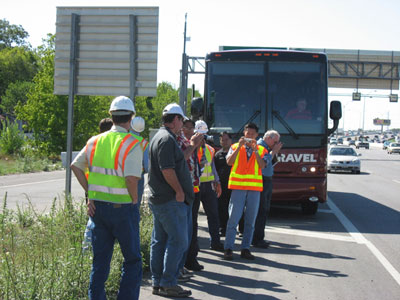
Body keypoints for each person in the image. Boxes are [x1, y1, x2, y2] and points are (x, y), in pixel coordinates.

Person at [71, 96, 143, 300]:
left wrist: (90, 194)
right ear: (131, 117)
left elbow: (75, 166)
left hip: (98, 210)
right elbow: (130, 178)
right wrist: (135, 199)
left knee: (100, 264)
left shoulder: (94, 141)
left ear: (111, 116)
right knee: (132, 261)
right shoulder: (132, 143)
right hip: (123, 209)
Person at [148, 103, 194, 298]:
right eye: (181, 120)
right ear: (175, 119)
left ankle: (158, 283)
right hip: (170, 200)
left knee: (160, 241)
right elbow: (167, 169)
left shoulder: (159, 137)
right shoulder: (167, 139)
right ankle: (168, 283)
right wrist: (179, 191)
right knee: (179, 241)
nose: (182, 124)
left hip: (161, 199)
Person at [223, 123, 268, 261]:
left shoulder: (261, 150)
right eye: (247, 134)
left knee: (250, 221)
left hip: (254, 189)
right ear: (244, 133)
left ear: (256, 136)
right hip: (238, 188)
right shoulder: (234, 147)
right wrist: (240, 147)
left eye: (252, 134)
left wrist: (254, 151)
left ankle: (245, 248)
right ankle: (228, 248)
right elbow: (229, 162)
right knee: (233, 219)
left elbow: (262, 165)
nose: (249, 136)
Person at [176, 119, 204, 275]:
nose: (189, 130)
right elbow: (180, 162)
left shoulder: (195, 143)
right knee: (182, 230)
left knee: (191, 227)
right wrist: (193, 145)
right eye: (186, 127)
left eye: (191, 127)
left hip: (195, 188)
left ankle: (189, 260)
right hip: (183, 191)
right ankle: (179, 266)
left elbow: (200, 164)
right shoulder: (181, 143)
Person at [195, 120, 223, 251]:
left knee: (213, 215)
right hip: (196, 185)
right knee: (192, 217)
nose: (202, 137)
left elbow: (212, 167)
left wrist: (217, 182)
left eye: (203, 134)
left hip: (208, 185)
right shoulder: (191, 147)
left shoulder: (210, 149)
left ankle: (215, 242)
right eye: (200, 134)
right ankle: (193, 245)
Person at [252, 130, 283, 248]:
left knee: (263, 210)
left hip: (267, 179)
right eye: (275, 141)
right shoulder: (260, 147)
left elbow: (269, 163)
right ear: (268, 138)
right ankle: (257, 238)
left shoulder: (266, 148)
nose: (276, 144)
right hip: (262, 180)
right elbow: (263, 164)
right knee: (261, 210)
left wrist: (274, 152)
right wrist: (273, 152)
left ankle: (258, 237)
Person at [214, 131, 233, 237]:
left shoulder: (236, 152)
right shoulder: (218, 154)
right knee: (222, 208)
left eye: (226, 139)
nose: (224, 142)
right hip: (222, 186)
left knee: (236, 209)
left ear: (231, 140)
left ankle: (241, 228)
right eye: (222, 140)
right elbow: (215, 170)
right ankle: (223, 228)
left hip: (234, 185)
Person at [130, 116, 149, 207]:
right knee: (135, 205)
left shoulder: (123, 139)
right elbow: (146, 166)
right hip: (138, 176)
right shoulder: (144, 143)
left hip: (122, 174)